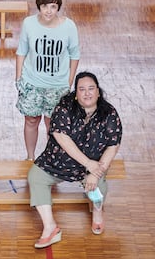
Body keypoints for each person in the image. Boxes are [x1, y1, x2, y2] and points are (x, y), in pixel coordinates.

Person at [27, 71, 122, 248]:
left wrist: (95, 172)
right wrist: (88, 163)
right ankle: (50, 228)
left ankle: (98, 213)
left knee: (98, 185)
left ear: (98, 92)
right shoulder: (64, 107)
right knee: (35, 177)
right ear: (76, 95)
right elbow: (61, 136)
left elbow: (113, 144)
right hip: (58, 162)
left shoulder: (109, 113)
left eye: (91, 88)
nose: (87, 93)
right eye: (82, 89)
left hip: (91, 166)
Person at [16, 0, 80, 161]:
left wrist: (69, 80)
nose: (49, 11)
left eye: (53, 6)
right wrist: (18, 78)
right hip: (32, 83)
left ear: (58, 7)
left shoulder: (69, 26)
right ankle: (30, 158)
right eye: (45, 6)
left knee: (52, 124)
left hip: (57, 86)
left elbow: (75, 55)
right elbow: (21, 51)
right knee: (31, 121)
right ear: (39, 7)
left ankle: (51, 159)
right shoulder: (29, 23)